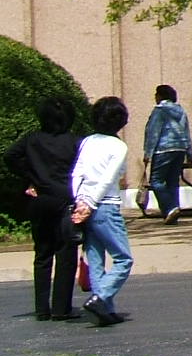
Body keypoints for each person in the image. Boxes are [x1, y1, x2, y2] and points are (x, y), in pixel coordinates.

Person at [6, 95, 83, 320]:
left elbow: (10, 156)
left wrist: (30, 177)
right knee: (66, 253)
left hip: (40, 200)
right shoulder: (74, 142)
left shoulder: (32, 140)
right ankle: (61, 308)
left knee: (42, 254)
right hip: (65, 199)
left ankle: (42, 308)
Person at [70, 96, 134, 327]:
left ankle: (105, 310)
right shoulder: (118, 146)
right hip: (105, 205)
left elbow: (77, 172)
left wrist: (81, 202)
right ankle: (101, 297)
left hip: (84, 202)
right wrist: (91, 203)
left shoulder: (87, 142)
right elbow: (108, 179)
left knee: (95, 258)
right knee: (123, 258)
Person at [141, 84, 192, 223]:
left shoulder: (159, 111)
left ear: (160, 96)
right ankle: (172, 212)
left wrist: (148, 152)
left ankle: (170, 208)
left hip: (163, 149)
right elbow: (186, 131)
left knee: (156, 181)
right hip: (180, 148)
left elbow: (153, 132)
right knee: (172, 182)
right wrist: (189, 151)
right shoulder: (180, 111)